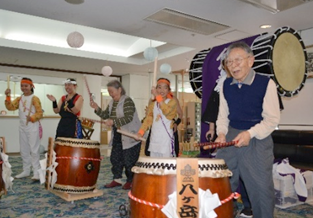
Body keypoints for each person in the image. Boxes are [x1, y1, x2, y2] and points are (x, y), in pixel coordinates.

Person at [215, 41, 280, 218]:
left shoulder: (266, 84)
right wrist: (221, 133)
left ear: (250, 61)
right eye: (229, 62)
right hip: (231, 134)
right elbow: (223, 116)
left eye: (238, 60)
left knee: (260, 188)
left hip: (258, 137)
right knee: (220, 180)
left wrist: (250, 133)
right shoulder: (225, 85)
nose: (233, 66)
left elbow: (272, 120)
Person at [90, 80, 141, 190]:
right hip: (118, 134)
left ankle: (131, 180)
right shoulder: (112, 102)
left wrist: (113, 122)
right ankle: (117, 179)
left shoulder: (127, 101)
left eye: (112, 91)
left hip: (130, 134)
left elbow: (128, 117)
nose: (110, 94)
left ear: (119, 89)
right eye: (109, 91)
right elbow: (105, 115)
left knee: (129, 159)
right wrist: (96, 108)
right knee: (115, 158)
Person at [5, 77, 43, 180]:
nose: (24, 88)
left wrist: (31, 118)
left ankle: (36, 172)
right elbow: (10, 107)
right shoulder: (19, 99)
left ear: (31, 86)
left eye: (26, 86)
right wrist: (7, 96)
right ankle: (26, 170)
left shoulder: (35, 99)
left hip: (32, 126)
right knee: (24, 150)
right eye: (22, 86)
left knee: (34, 150)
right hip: (22, 127)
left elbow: (40, 113)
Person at [137, 78, 177, 158]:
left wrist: (157, 96)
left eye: (165, 87)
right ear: (156, 89)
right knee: (154, 163)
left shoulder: (172, 102)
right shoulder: (153, 104)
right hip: (155, 137)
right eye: (159, 87)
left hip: (165, 138)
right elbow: (148, 120)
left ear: (169, 90)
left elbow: (166, 111)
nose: (162, 90)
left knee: (165, 164)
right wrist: (140, 132)